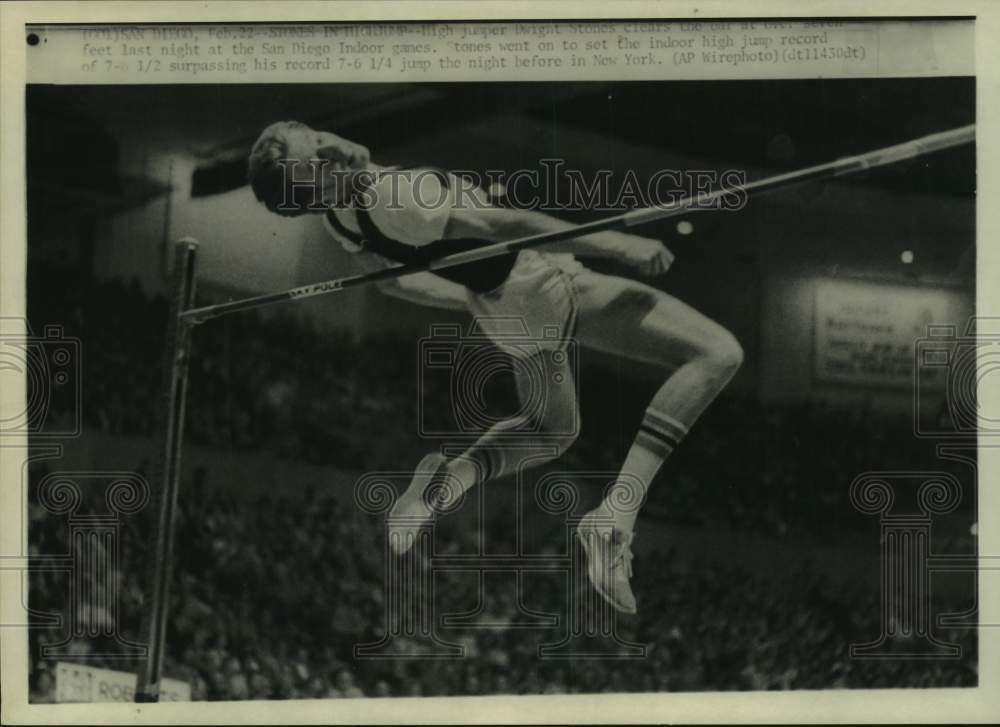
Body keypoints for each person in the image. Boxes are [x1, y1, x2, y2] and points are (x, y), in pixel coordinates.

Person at [247, 120, 743, 614]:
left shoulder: (340, 216)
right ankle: (617, 516)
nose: (325, 145)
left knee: (552, 430)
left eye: (316, 137)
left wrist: (471, 300)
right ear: (315, 180)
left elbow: (392, 283)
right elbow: (508, 227)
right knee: (716, 353)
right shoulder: (396, 195)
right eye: (314, 152)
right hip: (540, 281)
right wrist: (617, 243)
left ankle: (447, 482)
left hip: (502, 309)